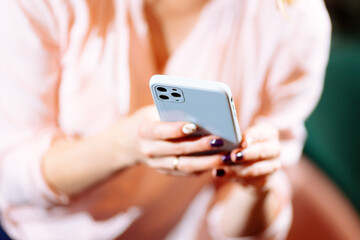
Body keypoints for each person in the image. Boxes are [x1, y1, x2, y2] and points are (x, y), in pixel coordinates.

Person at [0, 0, 331, 239]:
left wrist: (259, 185)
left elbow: (233, 229)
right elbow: (11, 171)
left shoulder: (295, 22)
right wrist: (125, 146)